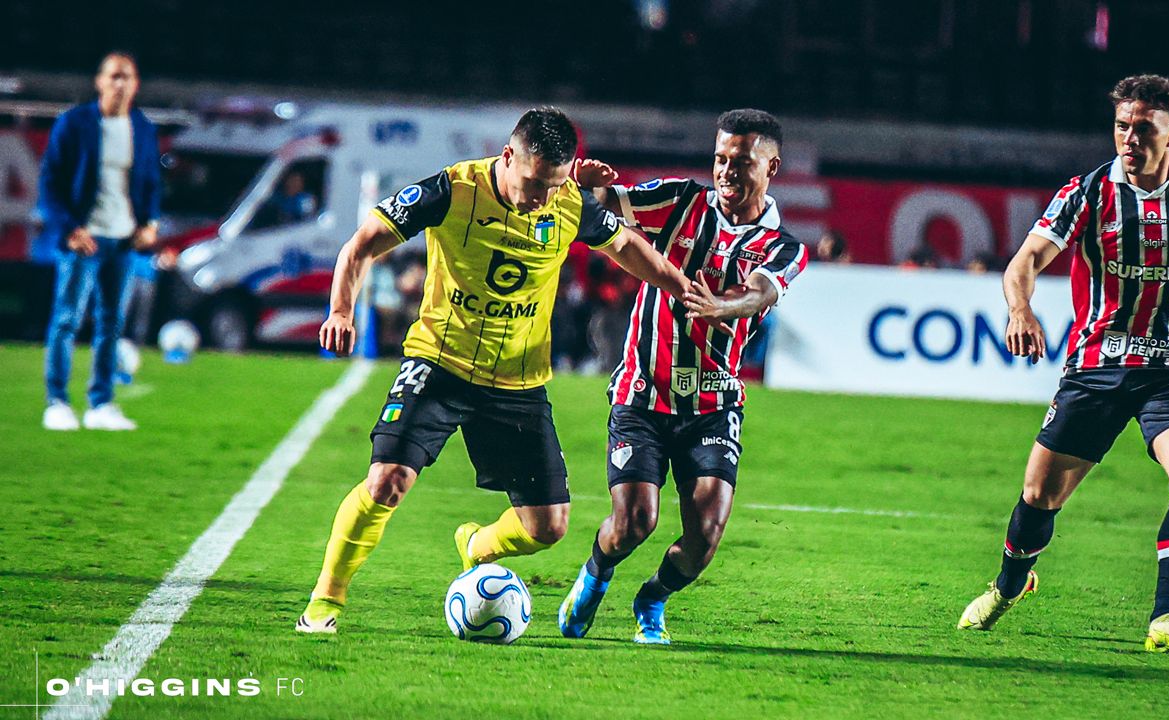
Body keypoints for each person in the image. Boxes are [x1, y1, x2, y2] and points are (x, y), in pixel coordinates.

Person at [296, 107, 694, 634]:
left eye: (555, 186)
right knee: (387, 480)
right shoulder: (452, 190)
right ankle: (326, 602)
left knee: (548, 527)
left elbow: (627, 247)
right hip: (439, 363)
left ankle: (476, 545)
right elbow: (362, 243)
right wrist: (342, 310)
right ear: (508, 157)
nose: (543, 198)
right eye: (534, 184)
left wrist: (680, 287)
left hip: (518, 383)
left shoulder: (569, 202)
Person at [957, 75, 1169, 653]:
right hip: (1096, 368)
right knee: (1038, 497)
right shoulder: (1087, 192)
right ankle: (1008, 585)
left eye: (1143, 128)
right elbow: (1025, 259)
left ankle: (1165, 617)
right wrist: (1020, 308)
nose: (1129, 138)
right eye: (1122, 126)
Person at [558, 109, 809, 644]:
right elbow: (601, 213)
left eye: (741, 162)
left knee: (705, 538)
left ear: (772, 167)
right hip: (643, 393)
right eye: (719, 159)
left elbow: (764, 290)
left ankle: (652, 598)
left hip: (714, 405)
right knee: (635, 523)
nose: (725, 171)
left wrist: (725, 306)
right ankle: (595, 575)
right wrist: (584, 187)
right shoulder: (680, 200)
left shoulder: (784, 247)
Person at [38, 51, 162, 431]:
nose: (120, 84)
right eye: (114, 76)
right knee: (66, 319)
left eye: (127, 77)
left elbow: (151, 182)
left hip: (122, 239)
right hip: (84, 238)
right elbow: (50, 181)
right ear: (100, 81)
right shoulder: (75, 124)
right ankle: (57, 401)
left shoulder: (141, 127)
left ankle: (101, 404)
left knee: (112, 323)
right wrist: (69, 228)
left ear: (136, 84)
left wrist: (150, 224)